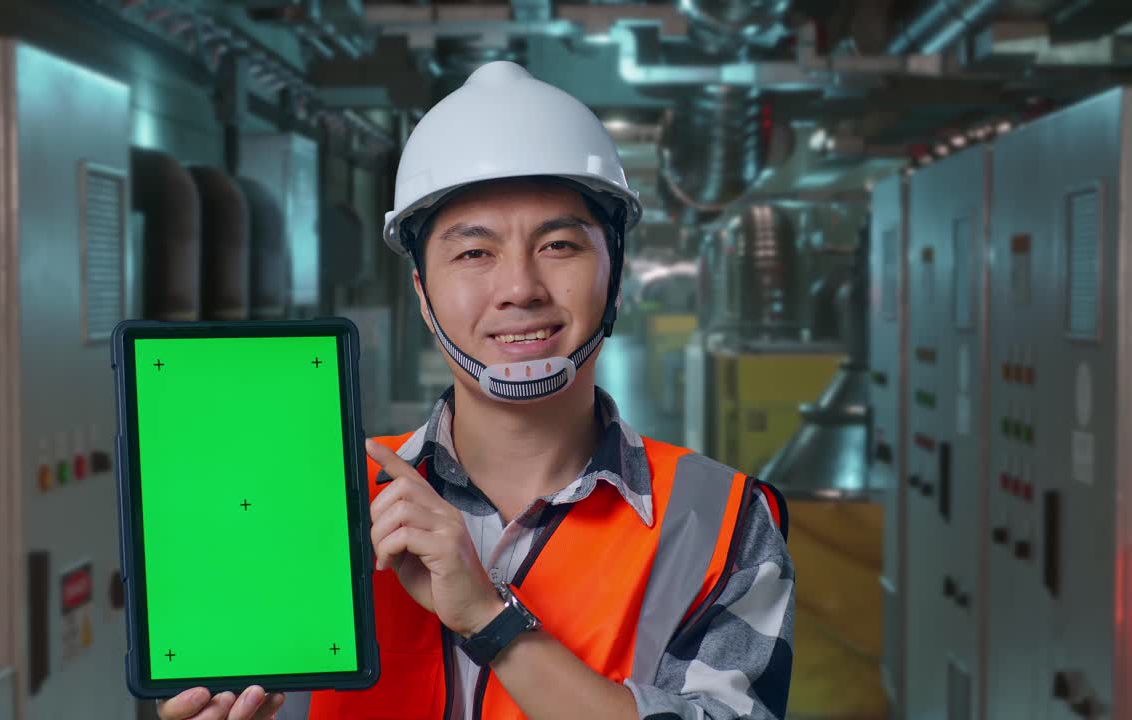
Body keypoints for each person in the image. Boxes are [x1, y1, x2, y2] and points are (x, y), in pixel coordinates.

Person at [157, 61, 794, 720]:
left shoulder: (720, 522)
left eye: (559, 245)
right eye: (473, 253)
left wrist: (492, 622)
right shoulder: (323, 498)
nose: (520, 288)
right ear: (422, 294)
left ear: (617, 275)